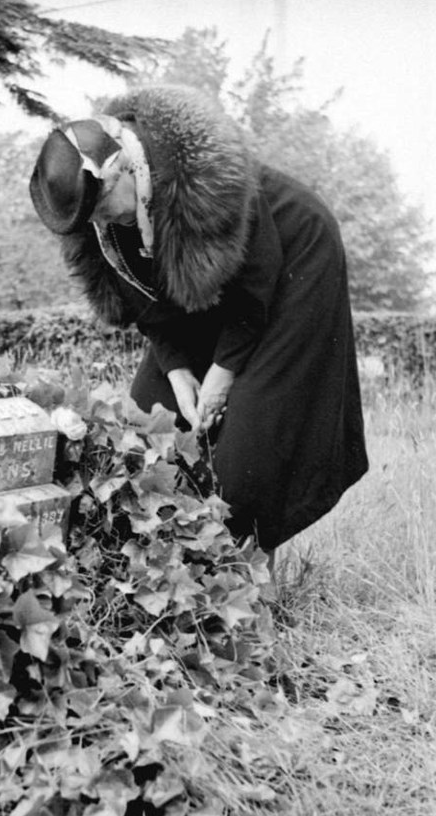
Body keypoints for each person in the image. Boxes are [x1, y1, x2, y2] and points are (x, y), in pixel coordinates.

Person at [29, 85, 368, 553]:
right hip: (215, 277)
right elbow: (142, 295)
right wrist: (175, 367)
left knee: (250, 447)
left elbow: (253, 285)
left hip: (289, 258)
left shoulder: (202, 183)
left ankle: (244, 574)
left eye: (106, 209)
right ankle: (174, 565)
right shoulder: (98, 215)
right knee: (150, 424)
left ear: (122, 169)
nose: (103, 223)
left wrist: (222, 374)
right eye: (93, 220)